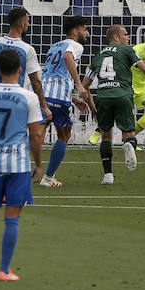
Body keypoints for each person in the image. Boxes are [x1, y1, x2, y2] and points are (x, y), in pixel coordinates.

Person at [0, 48, 44, 282]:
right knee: (12, 216)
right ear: (20, 69)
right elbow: (35, 136)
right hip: (18, 163)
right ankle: (4, 270)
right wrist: (39, 164)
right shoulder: (29, 97)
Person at [83, 24, 145, 185]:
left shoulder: (97, 56)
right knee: (129, 134)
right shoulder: (128, 50)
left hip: (103, 96)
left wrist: (92, 108)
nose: (128, 38)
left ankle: (108, 175)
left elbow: (84, 86)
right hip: (123, 95)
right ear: (116, 37)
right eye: (125, 34)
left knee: (105, 136)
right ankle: (129, 144)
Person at [39, 16, 96, 188]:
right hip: (58, 97)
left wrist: (73, 99)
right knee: (64, 135)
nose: (87, 33)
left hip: (42, 93)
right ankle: (48, 178)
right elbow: (67, 57)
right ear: (74, 31)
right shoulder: (76, 46)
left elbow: (53, 72)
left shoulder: (54, 47)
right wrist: (79, 85)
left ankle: (11, 172)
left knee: (37, 136)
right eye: (84, 29)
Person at [0, 7, 51, 124]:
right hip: (15, 99)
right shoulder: (27, 49)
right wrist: (44, 106)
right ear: (22, 23)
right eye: (28, 22)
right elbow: (35, 81)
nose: (28, 25)